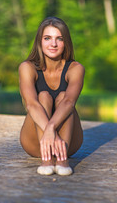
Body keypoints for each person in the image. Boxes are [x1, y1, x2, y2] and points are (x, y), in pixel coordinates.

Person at [18, 16, 85, 176]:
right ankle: (47, 159)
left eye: (59, 39)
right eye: (47, 38)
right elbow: (31, 104)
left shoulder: (76, 69)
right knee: (43, 97)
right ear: (39, 41)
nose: (53, 44)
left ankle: (62, 160)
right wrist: (49, 131)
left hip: (68, 144)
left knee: (63, 97)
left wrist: (51, 128)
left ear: (66, 42)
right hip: (35, 143)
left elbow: (69, 101)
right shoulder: (27, 67)